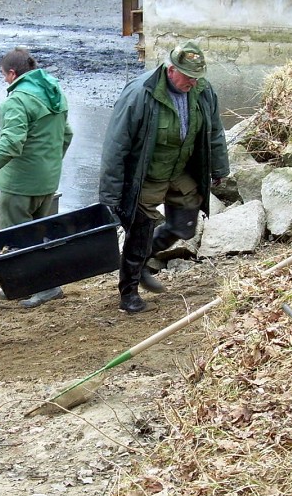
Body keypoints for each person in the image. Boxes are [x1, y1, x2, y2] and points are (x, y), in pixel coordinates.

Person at [99, 41, 230, 314]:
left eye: (197, 77)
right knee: (140, 228)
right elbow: (115, 145)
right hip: (147, 173)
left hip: (180, 168)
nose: (193, 83)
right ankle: (129, 292)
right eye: (188, 77)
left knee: (186, 225)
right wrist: (110, 195)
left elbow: (214, 132)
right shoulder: (139, 94)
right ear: (171, 70)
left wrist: (219, 169)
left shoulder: (203, 92)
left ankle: (147, 257)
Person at [0, 47, 73, 308]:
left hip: (20, 183)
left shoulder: (16, 101)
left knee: (18, 238)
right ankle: (28, 285)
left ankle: (45, 287)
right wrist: (50, 163)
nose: (4, 80)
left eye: (3, 75)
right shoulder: (54, 94)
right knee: (40, 234)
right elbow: (67, 134)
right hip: (47, 180)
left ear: (12, 73)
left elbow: (10, 144)